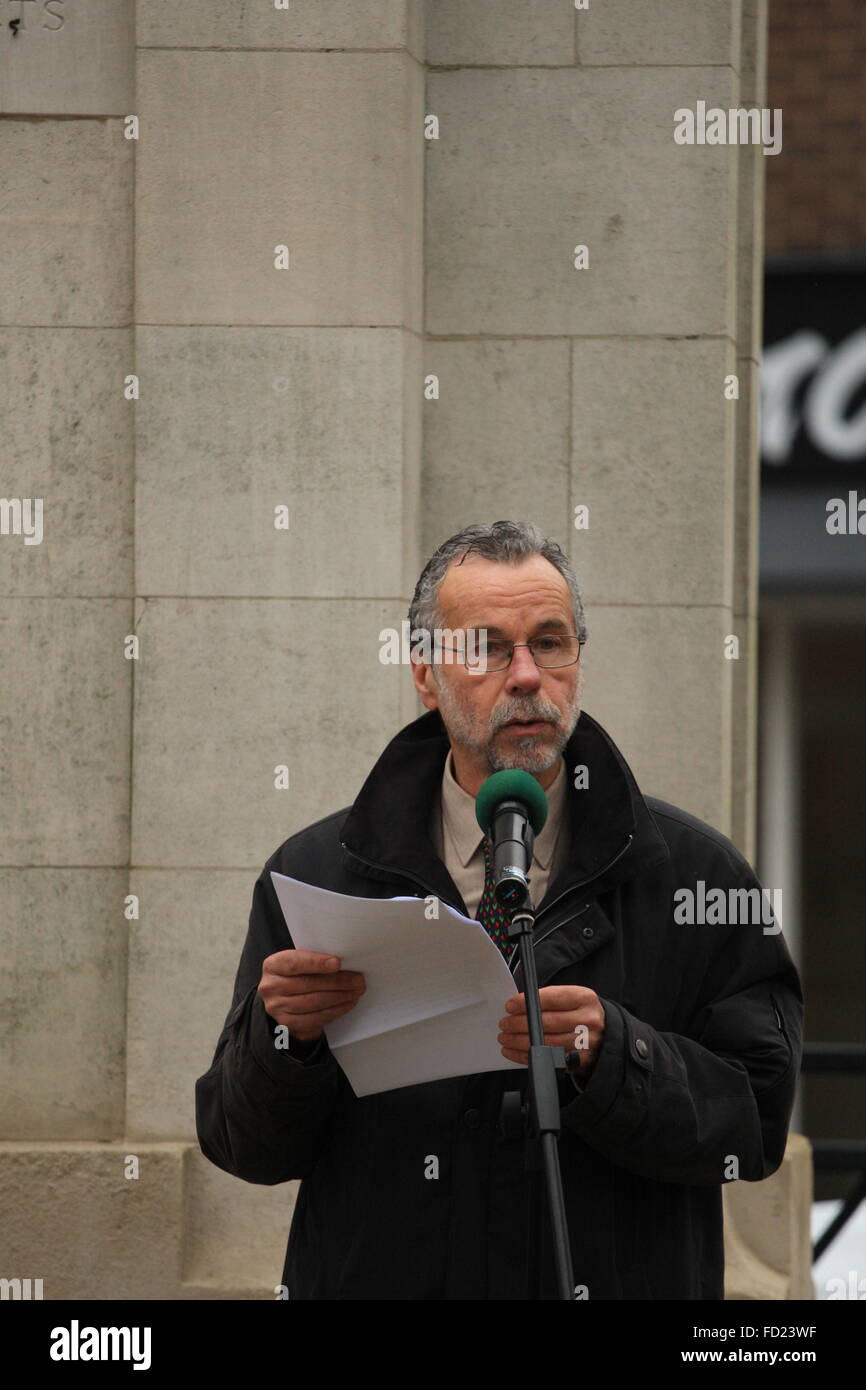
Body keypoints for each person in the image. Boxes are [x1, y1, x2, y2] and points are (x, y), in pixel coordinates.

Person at [195, 520, 803, 1300]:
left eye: (550, 643)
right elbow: (242, 1146)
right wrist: (285, 1039)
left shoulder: (693, 874)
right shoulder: (319, 875)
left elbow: (754, 1124)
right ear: (425, 676)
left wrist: (613, 1053)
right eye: (485, 647)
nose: (525, 676)